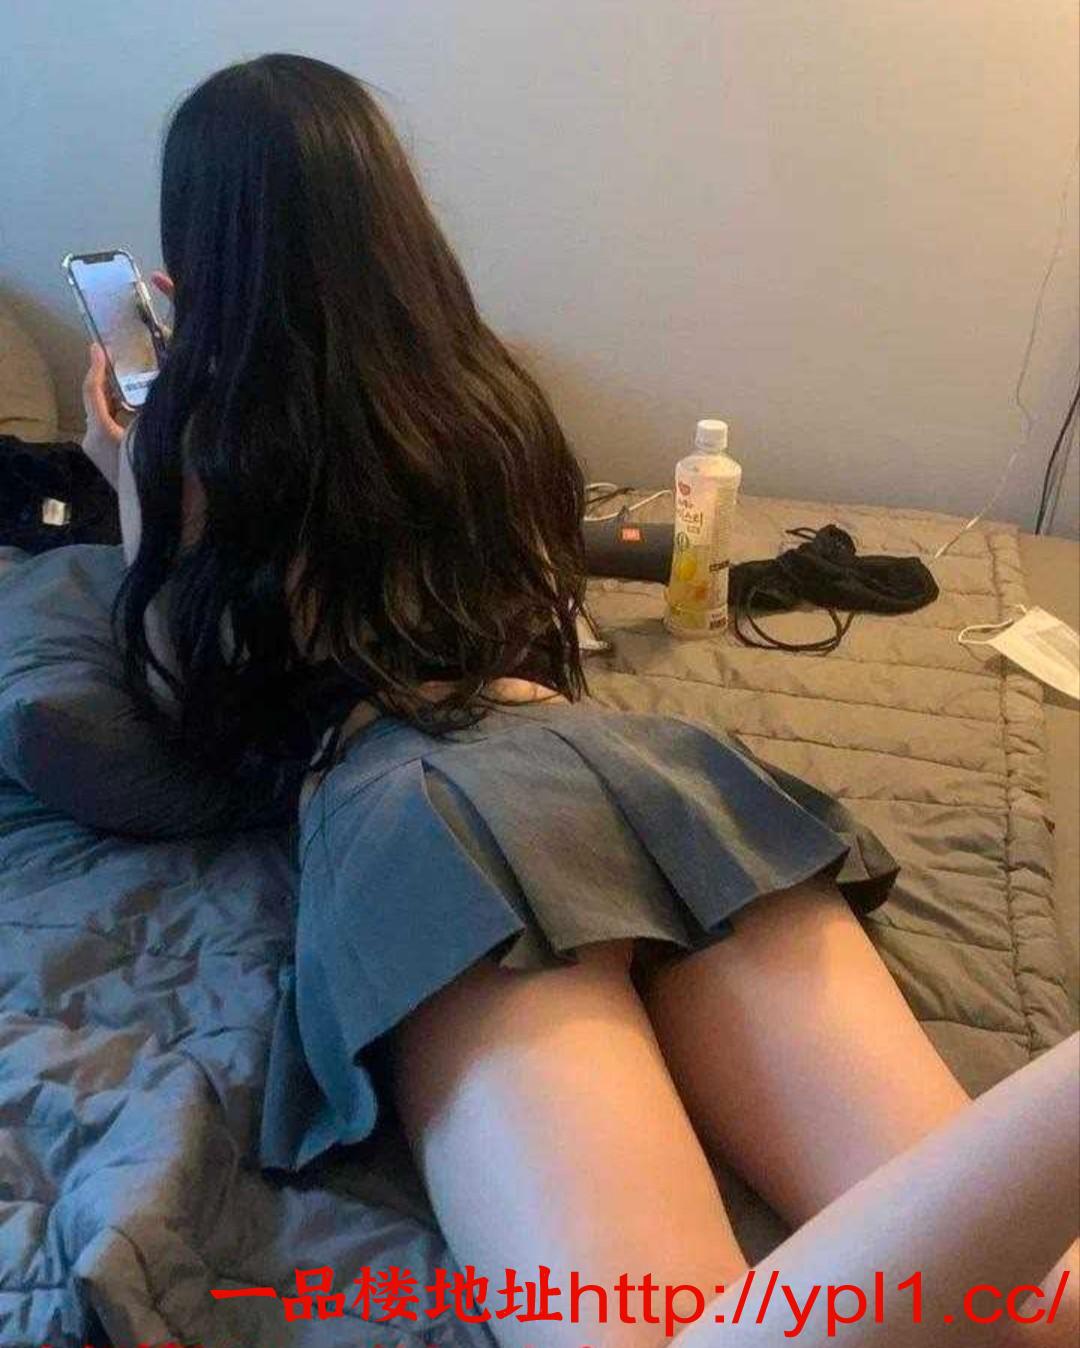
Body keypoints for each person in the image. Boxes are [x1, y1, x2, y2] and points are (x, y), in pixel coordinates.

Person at [81, 54, 1077, 1348]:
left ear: (198, 247)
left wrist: (127, 474)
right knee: (1030, 1298)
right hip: (640, 773)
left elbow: (188, 714)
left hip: (428, 813)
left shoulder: (201, 439)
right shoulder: (485, 395)